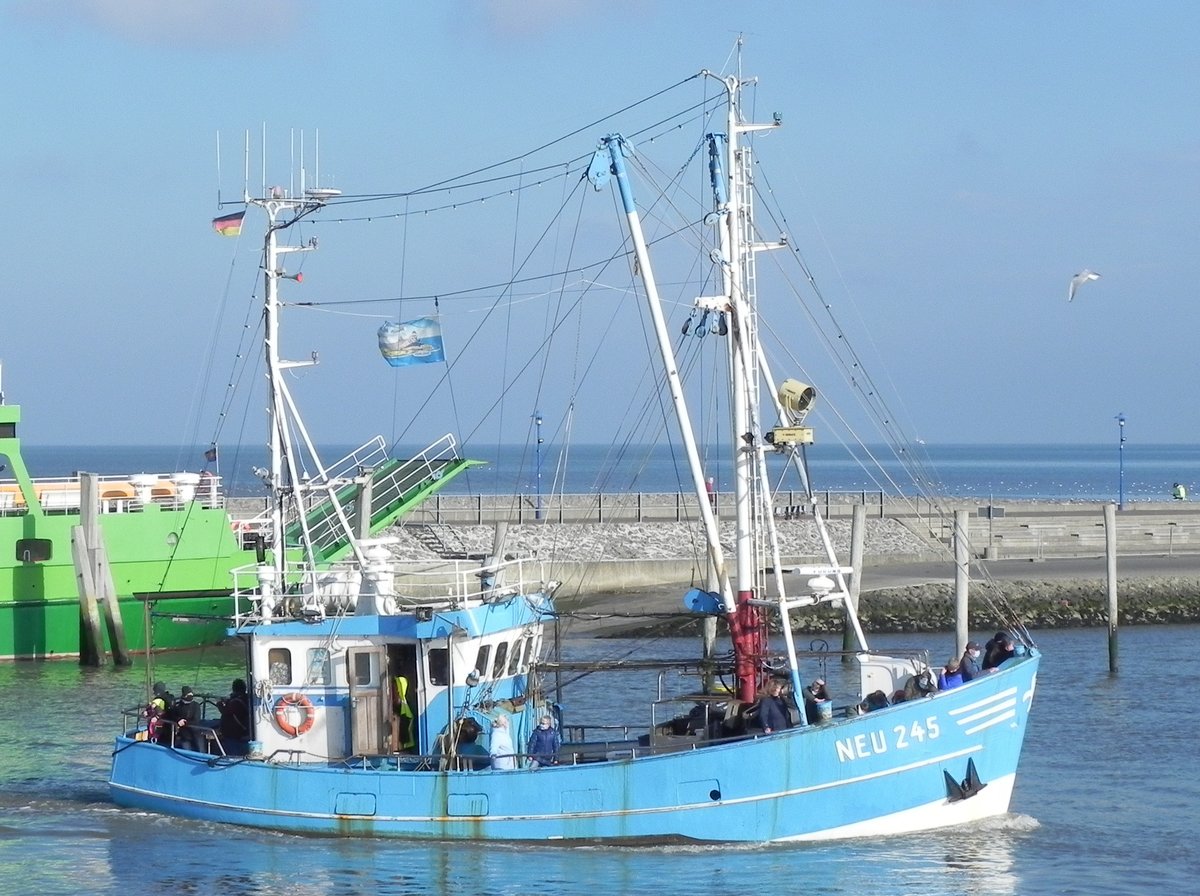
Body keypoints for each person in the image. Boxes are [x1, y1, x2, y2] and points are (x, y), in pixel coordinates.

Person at [168, 685, 203, 750]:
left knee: (201, 750)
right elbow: (172, 715)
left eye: (191, 695)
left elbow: (196, 720)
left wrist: (185, 722)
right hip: (184, 734)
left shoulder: (196, 705)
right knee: (186, 749)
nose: (190, 697)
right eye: (188, 695)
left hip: (195, 732)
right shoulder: (178, 706)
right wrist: (178, 720)